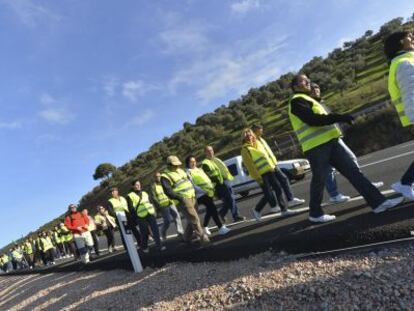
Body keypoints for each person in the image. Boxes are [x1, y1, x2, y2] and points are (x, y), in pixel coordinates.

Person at [288, 73, 403, 222]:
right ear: (296, 86)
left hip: (331, 142)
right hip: (316, 147)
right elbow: (312, 120)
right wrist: (340, 117)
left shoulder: (309, 99)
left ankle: (379, 203)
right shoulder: (297, 101)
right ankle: (315, 214)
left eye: (308, 79)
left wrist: (340, 117)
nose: (308, 82)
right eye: (304, 80)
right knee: (319, 180)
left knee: (354, 172)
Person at [310, 82, 384, 203]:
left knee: (344, 162)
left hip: (332, 137)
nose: (315, 90)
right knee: (330, 169)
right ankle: (334, 195)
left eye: (317, 87)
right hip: (322, 141)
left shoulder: (321, 103)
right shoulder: (311, 105)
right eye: (312, 89)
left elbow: (331, 118)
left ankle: (364, 185)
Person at [241, 128, 298, 221]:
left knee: (278, 188)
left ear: (253, 135)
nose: (249, 137)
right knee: (268, 194)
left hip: (270, 169)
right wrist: (257, 177)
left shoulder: (258, 143)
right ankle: (257, 210)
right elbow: (250, 166)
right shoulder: (245, 149)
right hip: (261, 174)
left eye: (250, 135)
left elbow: (267, 156)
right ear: (244, 138)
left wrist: (273, 166)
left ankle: (284, 210)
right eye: (246, 136)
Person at [384, 31, 414, 200]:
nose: (413, 38)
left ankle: (405, 182)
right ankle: (405, 182)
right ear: (401, 42)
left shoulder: (406, 60)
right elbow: (411, 96)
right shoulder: (404, 63)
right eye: (410, 36)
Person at [251, 124, 306, 207]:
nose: (262, 131)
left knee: (279, 183)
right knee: (276, 186)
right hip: (267, 167)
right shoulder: (254, 141)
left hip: (272, 164)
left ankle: (285, 202)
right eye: (260, 129)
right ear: (256, 130)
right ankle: (282, 204)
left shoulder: (261, 139)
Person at [161, 155, 210, 246]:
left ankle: (186, 238)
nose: (177, 166)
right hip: (183, 200)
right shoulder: (165, 176)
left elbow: (189, 182)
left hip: (192, 197)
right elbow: (168, 192)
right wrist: (181, 198)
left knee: (192, 219)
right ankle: (205, 240)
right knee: (195, 219)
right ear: (168, 165)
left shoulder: (181, 170)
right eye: (174, 165)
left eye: (178, 164)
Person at [185, 155, 231, 235]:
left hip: (207, 192)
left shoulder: (199, 169)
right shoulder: (187, 172)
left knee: (210, 209)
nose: (193, 163)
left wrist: (211, 188)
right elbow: (192, 185)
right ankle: (220, 227)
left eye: (194, 161)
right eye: (191, 162)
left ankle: (205, 226)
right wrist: (202, 190)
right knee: (211, 208)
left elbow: (206, 179)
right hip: (199, 195)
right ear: (187, 163)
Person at [202, 145, 245, 223]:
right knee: (231, 198)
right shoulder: (206, 163)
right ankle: (236, 216)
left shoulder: (216, 159)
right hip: (219, 183)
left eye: (211, 150)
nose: (210, 152)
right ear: (205, 153)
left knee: (228, 200)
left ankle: (222, 213)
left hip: (225, 181)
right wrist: (218, 183)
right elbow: (209, 176)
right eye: (208, 151)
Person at [127, 179, 165, 253]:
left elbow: (150, 202)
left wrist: (154, 211)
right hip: (140, 216)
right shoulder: (130, 196)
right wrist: (136, 217)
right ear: (133, 186)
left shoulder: (145, 193)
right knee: (144, 233)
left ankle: (159, 246)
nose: (138, 186)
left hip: (150, 213)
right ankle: (144, 246)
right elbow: (131, 208)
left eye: (139, 184)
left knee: (155, 230)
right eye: (136, 185)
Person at [151, 172, 184, 240]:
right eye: (157, 176)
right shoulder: (153, 186)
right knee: (167, 221)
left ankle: (180, 232)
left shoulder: (164, 183)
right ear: (154, 178)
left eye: (159, 176)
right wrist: (159, 206)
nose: (158, 177)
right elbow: (153, 197)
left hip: (170, 202)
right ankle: (163, 232)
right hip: (163, 205)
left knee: (176, 215)